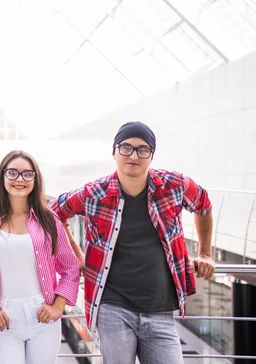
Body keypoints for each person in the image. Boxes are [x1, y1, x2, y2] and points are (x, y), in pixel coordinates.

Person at [50, 121, 216, 364]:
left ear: (151, 156)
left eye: (143, 149)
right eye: (126, 147)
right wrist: (76, 256)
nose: (134, 155)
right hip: (113, 307)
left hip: (160, 309)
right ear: (114, 152)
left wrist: (206, 253)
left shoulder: (174, 185)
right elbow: (53, 213)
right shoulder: (94, 192)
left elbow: (203, 204)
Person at [0, 150, 80, 364]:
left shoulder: (49, 220)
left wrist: (57, 306)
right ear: (2, 177)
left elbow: (70, 268)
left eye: (28, 174)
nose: (20, 179)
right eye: (13, 173)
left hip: (42, 318)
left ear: (35, 180)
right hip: (4, 319)